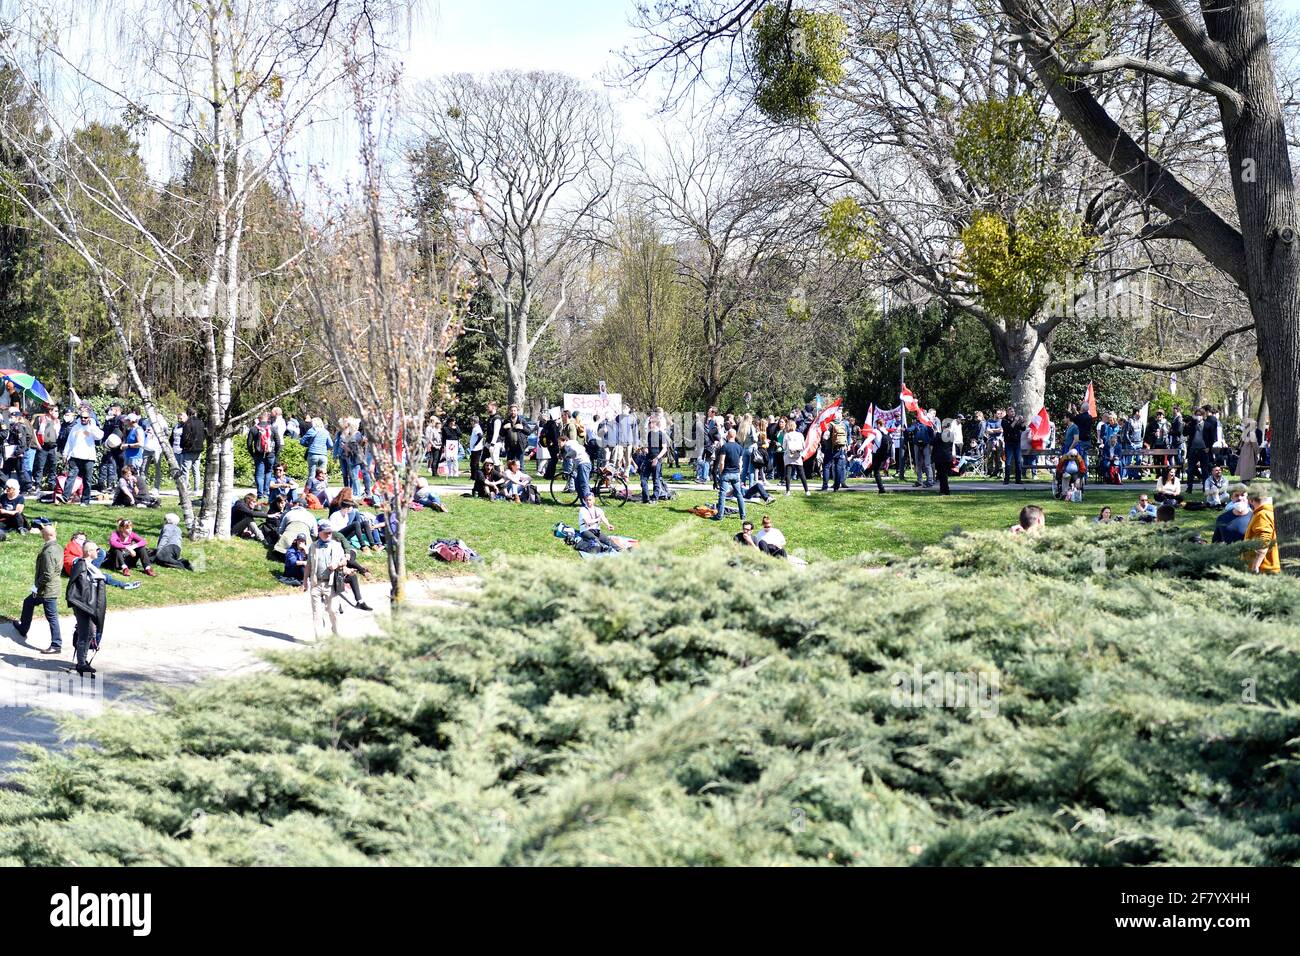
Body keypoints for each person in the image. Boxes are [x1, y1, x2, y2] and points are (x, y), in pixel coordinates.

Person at [6, 523, 64, 655]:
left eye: (42, 533)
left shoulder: (49, 552)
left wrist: (36, 586)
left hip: (47, 590)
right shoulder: (58, 546)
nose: (41, 535)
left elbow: (47, 574)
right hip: (47, 588)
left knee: (52, 617)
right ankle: (23, 628)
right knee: (28, 602)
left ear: (47, 535)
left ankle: (56, 644)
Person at [66, 539, 108, 676]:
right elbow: (77, 586)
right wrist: (86, 604)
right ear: (89, 552)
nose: (98, 552)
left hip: (88, 604)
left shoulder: (89, 565)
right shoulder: (81, 564)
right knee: (86, 633)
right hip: (83, 605)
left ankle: (82, 661)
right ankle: (81, 664)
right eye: (96, 550)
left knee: (88, 632)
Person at [305, 520, 347, 639]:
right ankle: (319, 638)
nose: (329, 534)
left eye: (330, 532)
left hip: (331, 583)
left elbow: (345, 561)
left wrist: (337, 564)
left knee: (333, 610)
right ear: (320, 533)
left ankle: (336, 632)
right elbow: (308, 564)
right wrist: (304, 582)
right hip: (316, 583)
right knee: (317, 613)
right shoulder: (313, 546)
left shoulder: (337, 545)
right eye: (326, 532)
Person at [62, 408, 102, 505]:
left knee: (87, 480)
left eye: (85, 418)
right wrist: (65, 454)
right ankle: (64, 497)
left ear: (89, 418)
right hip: (75, 456)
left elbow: (99, 436)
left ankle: (85, 500)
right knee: (71, 477)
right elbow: (69, 442)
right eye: (81, 417)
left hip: (88, 458)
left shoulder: (93, 427)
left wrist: (91, 426)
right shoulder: (76, 427)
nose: (83, 419)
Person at [712, 428, 746, 521]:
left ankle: (720, 516)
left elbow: (722, 462)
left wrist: (721, 472)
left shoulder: (725, 447)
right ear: (735, 436)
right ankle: (743, 515)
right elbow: (740, 463)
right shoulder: (739, 447)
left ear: (727, 436)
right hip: (735, 473)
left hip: (726, 473)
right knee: (739, 495)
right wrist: (739, 472)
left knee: (722, 495)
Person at [1243, 491, 1280, 574]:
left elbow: (1264, 541)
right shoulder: (1269, 512)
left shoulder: (1262, 514)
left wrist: (1255, 567)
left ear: (1251, 500)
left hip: (1263, 569)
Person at [559, 433, 592, 503]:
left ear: (564, 441)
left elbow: (575, 451)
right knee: (578, 484)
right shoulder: (573, 443)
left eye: (560, 442)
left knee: (583, 484)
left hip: (583, 463)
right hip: (583, 463)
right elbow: (583, 448)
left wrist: (567, 455)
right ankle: (583, 502)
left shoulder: (567, 445)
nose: (559, 444)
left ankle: (587, 503)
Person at [180, 408, 206, 495]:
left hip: (189, 449)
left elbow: (185, 436)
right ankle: (196, 489)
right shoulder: (201, 423)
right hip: (199, 449)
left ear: (188, 414)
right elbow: (204, 435)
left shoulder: (187, 423)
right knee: (196, 470)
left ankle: (185, 489)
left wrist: (182, 445)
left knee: (185, 470)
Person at [781, 419, 809, 496]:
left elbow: (784, 446)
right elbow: (803, 446)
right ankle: (806, 490)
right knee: (801, 473)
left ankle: (788, 491)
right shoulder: (800, 435)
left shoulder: (787, 435)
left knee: (788, 473)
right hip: (798, 455)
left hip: (788, 455)